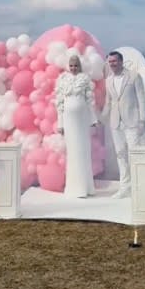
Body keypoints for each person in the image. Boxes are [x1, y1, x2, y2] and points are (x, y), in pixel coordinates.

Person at [101, 49, 145, 198]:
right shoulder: (108, 80)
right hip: (116, 123)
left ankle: (139, 187)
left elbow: (141, 99)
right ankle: (124, 187)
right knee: (120, 155)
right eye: (110, 62)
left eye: (114, 61)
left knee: (134, 154)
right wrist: (100, 119)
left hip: (132, 121)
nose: (112, 64)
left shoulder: (134, 76)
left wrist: (142, 120)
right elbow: (108, 103)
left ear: (121, 61)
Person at [54, 54, 99, 198]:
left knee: (83, 150)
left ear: (80, 66)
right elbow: (59, 104)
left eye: (76, 65)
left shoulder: (85, 79)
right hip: (68, 121)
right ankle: (74, 188)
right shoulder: (62, 79)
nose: (73, 68)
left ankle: (86, 187)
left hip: (82, 120)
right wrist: (60, 124)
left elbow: (89, 101)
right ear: (69, 66)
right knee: (72, 152)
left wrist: (93, 119)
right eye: (71, 65)